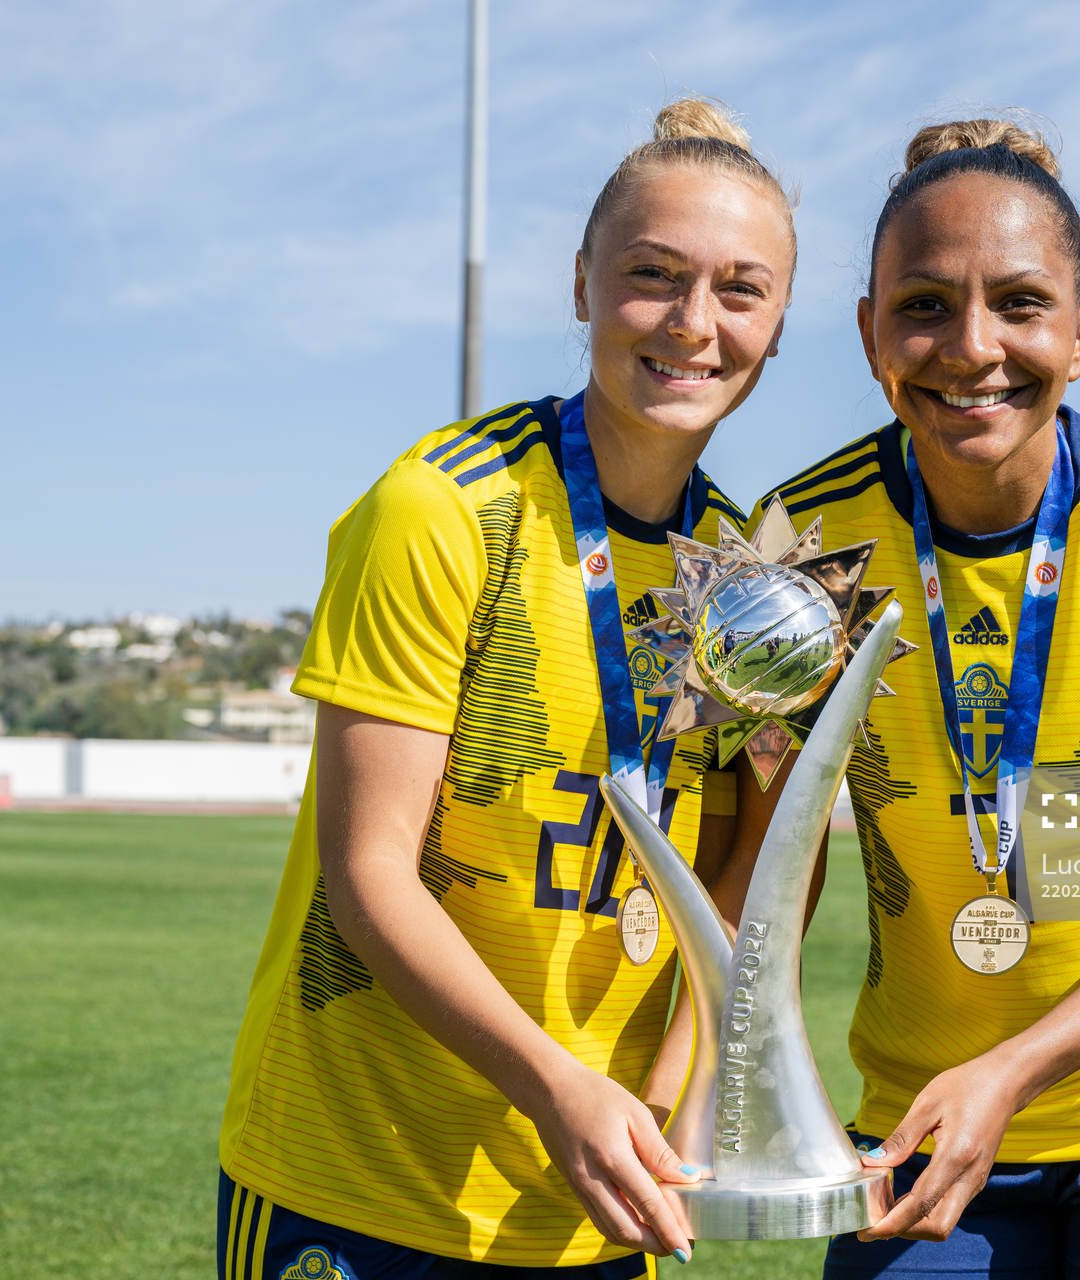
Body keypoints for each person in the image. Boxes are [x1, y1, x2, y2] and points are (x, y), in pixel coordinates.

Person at [217, 98, 795, 1279]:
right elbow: (369, 871)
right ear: (581, 283)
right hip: (362, 1179)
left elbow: (758, 864)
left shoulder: (755, 577)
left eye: (740, 290)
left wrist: (677, 1091)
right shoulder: (440, 508)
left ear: (779, 326)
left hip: (602, 1193)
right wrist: (556, 1086)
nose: (694, 322)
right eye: (652, 275)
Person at [748, 119, 1080, 1278]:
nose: (973, 347)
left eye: (1020, 303)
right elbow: (773, 863)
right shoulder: (804, 538)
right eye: (925, 306)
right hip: (922, 1118)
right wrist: (752, 1072)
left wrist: (1009, 1070)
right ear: (870, 332)